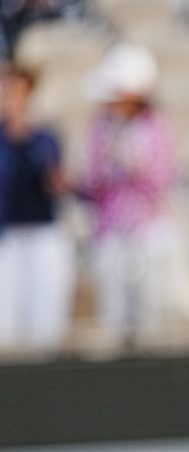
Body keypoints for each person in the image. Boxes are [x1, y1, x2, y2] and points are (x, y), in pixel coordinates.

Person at [77, 42, 176, 346]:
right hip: (110, 229)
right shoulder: (99, 128)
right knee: (114, 309)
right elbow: (91, 181)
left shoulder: (157, 127)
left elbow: (159, 179)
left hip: (148, 226)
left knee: (152, 309)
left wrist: (132, 162)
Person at [0, 64, 71, 351]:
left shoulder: (44, 139)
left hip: (42, 234)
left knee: (45, 322)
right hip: (7, 237)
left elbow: (56, 182)